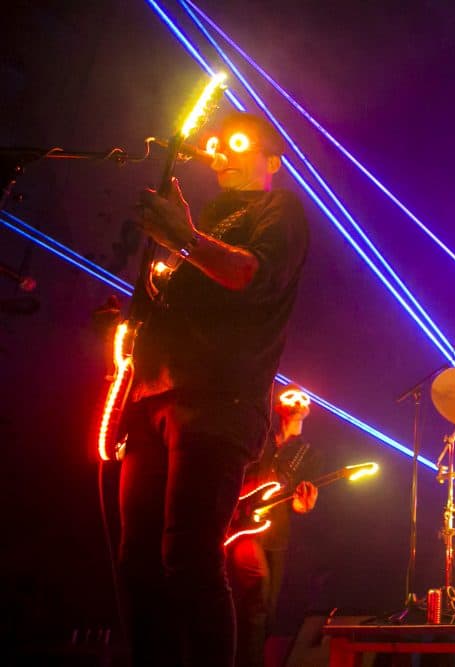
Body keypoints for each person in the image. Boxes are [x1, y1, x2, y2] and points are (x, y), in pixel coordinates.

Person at [118, 111, 309, 667]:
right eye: (215, 144)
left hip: (218, 402)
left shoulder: (281, 210)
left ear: (272, 160)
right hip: (154, 396)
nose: (220, 152)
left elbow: (249, 274)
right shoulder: (209, 217)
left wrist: (184, 238)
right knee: (138, 562)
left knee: (189, 556)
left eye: (238, 144)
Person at [227, 385, 320, 667]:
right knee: (257, 591)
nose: (297, 401)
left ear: (308, 410)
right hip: (243, 530)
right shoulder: (259, 438)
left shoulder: (308, 454)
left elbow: (301, 503)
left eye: (303, 398)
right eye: (289, 396)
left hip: (277, 535)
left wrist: (305, 504)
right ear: (278, 406)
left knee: (266, 609)